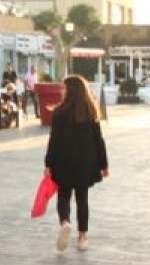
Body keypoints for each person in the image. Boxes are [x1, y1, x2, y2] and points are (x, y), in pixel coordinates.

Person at [44, 74, 109, 253]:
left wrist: (48, 163)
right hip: (86, 162)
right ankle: (82, 238)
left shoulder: (59, 113)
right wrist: (104, 164)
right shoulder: (90, 110)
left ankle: (65, 222)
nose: (62, 91)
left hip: (63, 160)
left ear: (71, 91)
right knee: (82, 198)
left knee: (63, 195)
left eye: (64, 88)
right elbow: (99, 140)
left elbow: (54, 140)